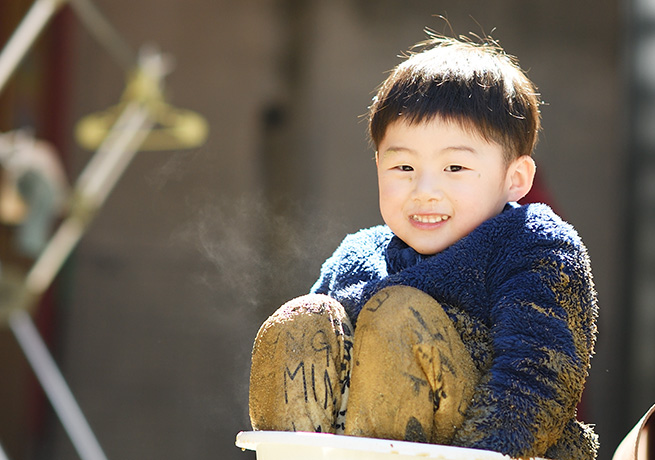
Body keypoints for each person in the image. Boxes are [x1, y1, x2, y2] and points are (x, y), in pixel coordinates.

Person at [248, 31, 599, 460]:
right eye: (403, 166)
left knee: (397, 315)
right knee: (301, 321)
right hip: (350, 449)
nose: (424, 190)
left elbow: (538, 373)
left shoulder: (532, 242)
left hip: (481, 449)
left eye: (455, 166)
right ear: (377, 165)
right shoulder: (359, 256)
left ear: (516, 178)